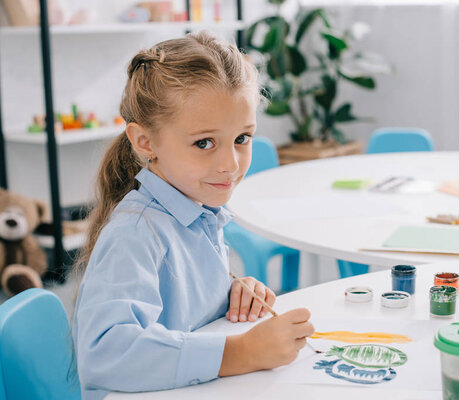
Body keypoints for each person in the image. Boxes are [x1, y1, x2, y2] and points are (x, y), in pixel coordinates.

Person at [72, 31, 314, 400]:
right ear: (145, 142)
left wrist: (233, 293)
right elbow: (105, 353)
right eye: (204, 143)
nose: (230, 165)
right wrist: (242, 351)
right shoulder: (135, 234)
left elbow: (183, 317)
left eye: (242, 138)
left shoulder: (199, 210)